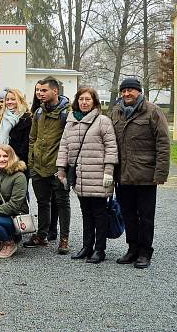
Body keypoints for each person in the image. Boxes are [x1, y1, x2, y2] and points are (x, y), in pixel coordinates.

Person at [110, 77, 170, 269]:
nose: (127, 94)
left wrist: (160, 174)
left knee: (145, 216)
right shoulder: (116, 111)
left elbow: (163, 144)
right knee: (127, 214)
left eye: (131, 90)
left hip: (145, 175)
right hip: (123, 175)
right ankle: (132, 249)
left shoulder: (153, 111)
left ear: (139, 92)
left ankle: (145, 252)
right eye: (124, 91)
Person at [57, 87, 118, 264]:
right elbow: (64, 147)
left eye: (88, 100)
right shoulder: (70, 122)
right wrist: (61, 170)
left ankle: (99, 249)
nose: (84, 102)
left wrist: (109, 171)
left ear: (94, 102)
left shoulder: (102, 121)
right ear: (77, 101)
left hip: (98, 175)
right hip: (80, 176)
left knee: (99, 214)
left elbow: (111, 147)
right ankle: (86, 246)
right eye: (81, 99)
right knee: (86, 213)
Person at [25, 77, 71, 254]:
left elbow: (69, 141)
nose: (40, 93)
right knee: (42, 202)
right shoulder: (38, 112)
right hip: (38, 167)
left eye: (44, 90)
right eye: (38, 90)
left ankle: (64, 239)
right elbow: (32, 138)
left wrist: (64, 167)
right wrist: (32, 162)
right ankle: (42, 234)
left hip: (58, 168)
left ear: (55, 91)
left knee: (62, 202)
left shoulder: (66, 113)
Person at [0, 88, 32, 168]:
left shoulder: (26, 118)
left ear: (19, 100)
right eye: (7, 99)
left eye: (13, 99)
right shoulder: (1, 117)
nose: (9, 102)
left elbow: (26, 145)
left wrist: (13, 159)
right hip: (1, 162)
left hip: (18, 163)